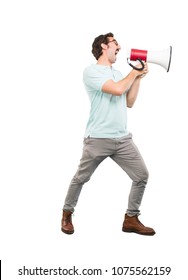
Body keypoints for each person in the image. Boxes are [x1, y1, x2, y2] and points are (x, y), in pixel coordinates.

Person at [61, 32, 155, 236]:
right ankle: (67, 213)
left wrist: (138, 77)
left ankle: (131, 218)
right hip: (97, 139)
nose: (119, 47)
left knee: (141, 176)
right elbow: (118, 90)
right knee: (81, 178)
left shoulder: (119, 73)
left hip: (122, 139)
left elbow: (129, 101)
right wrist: (134, 72)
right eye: (115, 43)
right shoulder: (91, 72)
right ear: (104, 46)